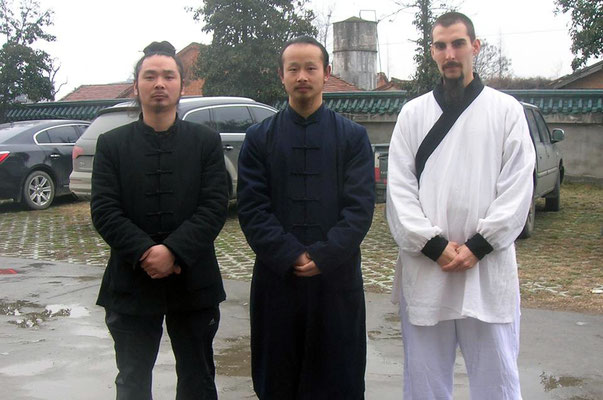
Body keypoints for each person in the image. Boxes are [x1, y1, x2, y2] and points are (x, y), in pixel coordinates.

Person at [386, 12, 535, 400]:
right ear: (432, 52)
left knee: (497, 380)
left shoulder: (506, 110)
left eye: (458, 44)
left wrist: (478, 245)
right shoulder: (413, 114)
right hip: (427, 266)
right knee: (425, 383)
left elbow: (518, 187)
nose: (449, 54)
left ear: (475, 47)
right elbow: (400, 192)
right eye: (441, 45)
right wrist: (434, 246)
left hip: (486, 270)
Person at [237, 36, 375, 399]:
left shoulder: (353, 138)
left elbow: (360, 208)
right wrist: (291, 255)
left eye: (311, 68)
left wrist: (324, 255)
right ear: (281, 76)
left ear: (326, 73)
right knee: (278, 381)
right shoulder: (258, 138)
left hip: (336, 280)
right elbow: (252, 208)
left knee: (338, 381)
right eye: (293, 68)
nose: (302, 76)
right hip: (277, 280)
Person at [91, 41, 228, 400]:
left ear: (182, 85)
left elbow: (214, 205)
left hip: (194, 279)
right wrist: (146, 252)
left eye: (169, 75)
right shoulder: (112, 144)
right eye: (149, 76)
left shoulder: (206, 142)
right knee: (133, 381)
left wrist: (175, 251)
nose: (159, 84)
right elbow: (104, 209)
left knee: (199, 378)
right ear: (136, 85)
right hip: (132, 280)